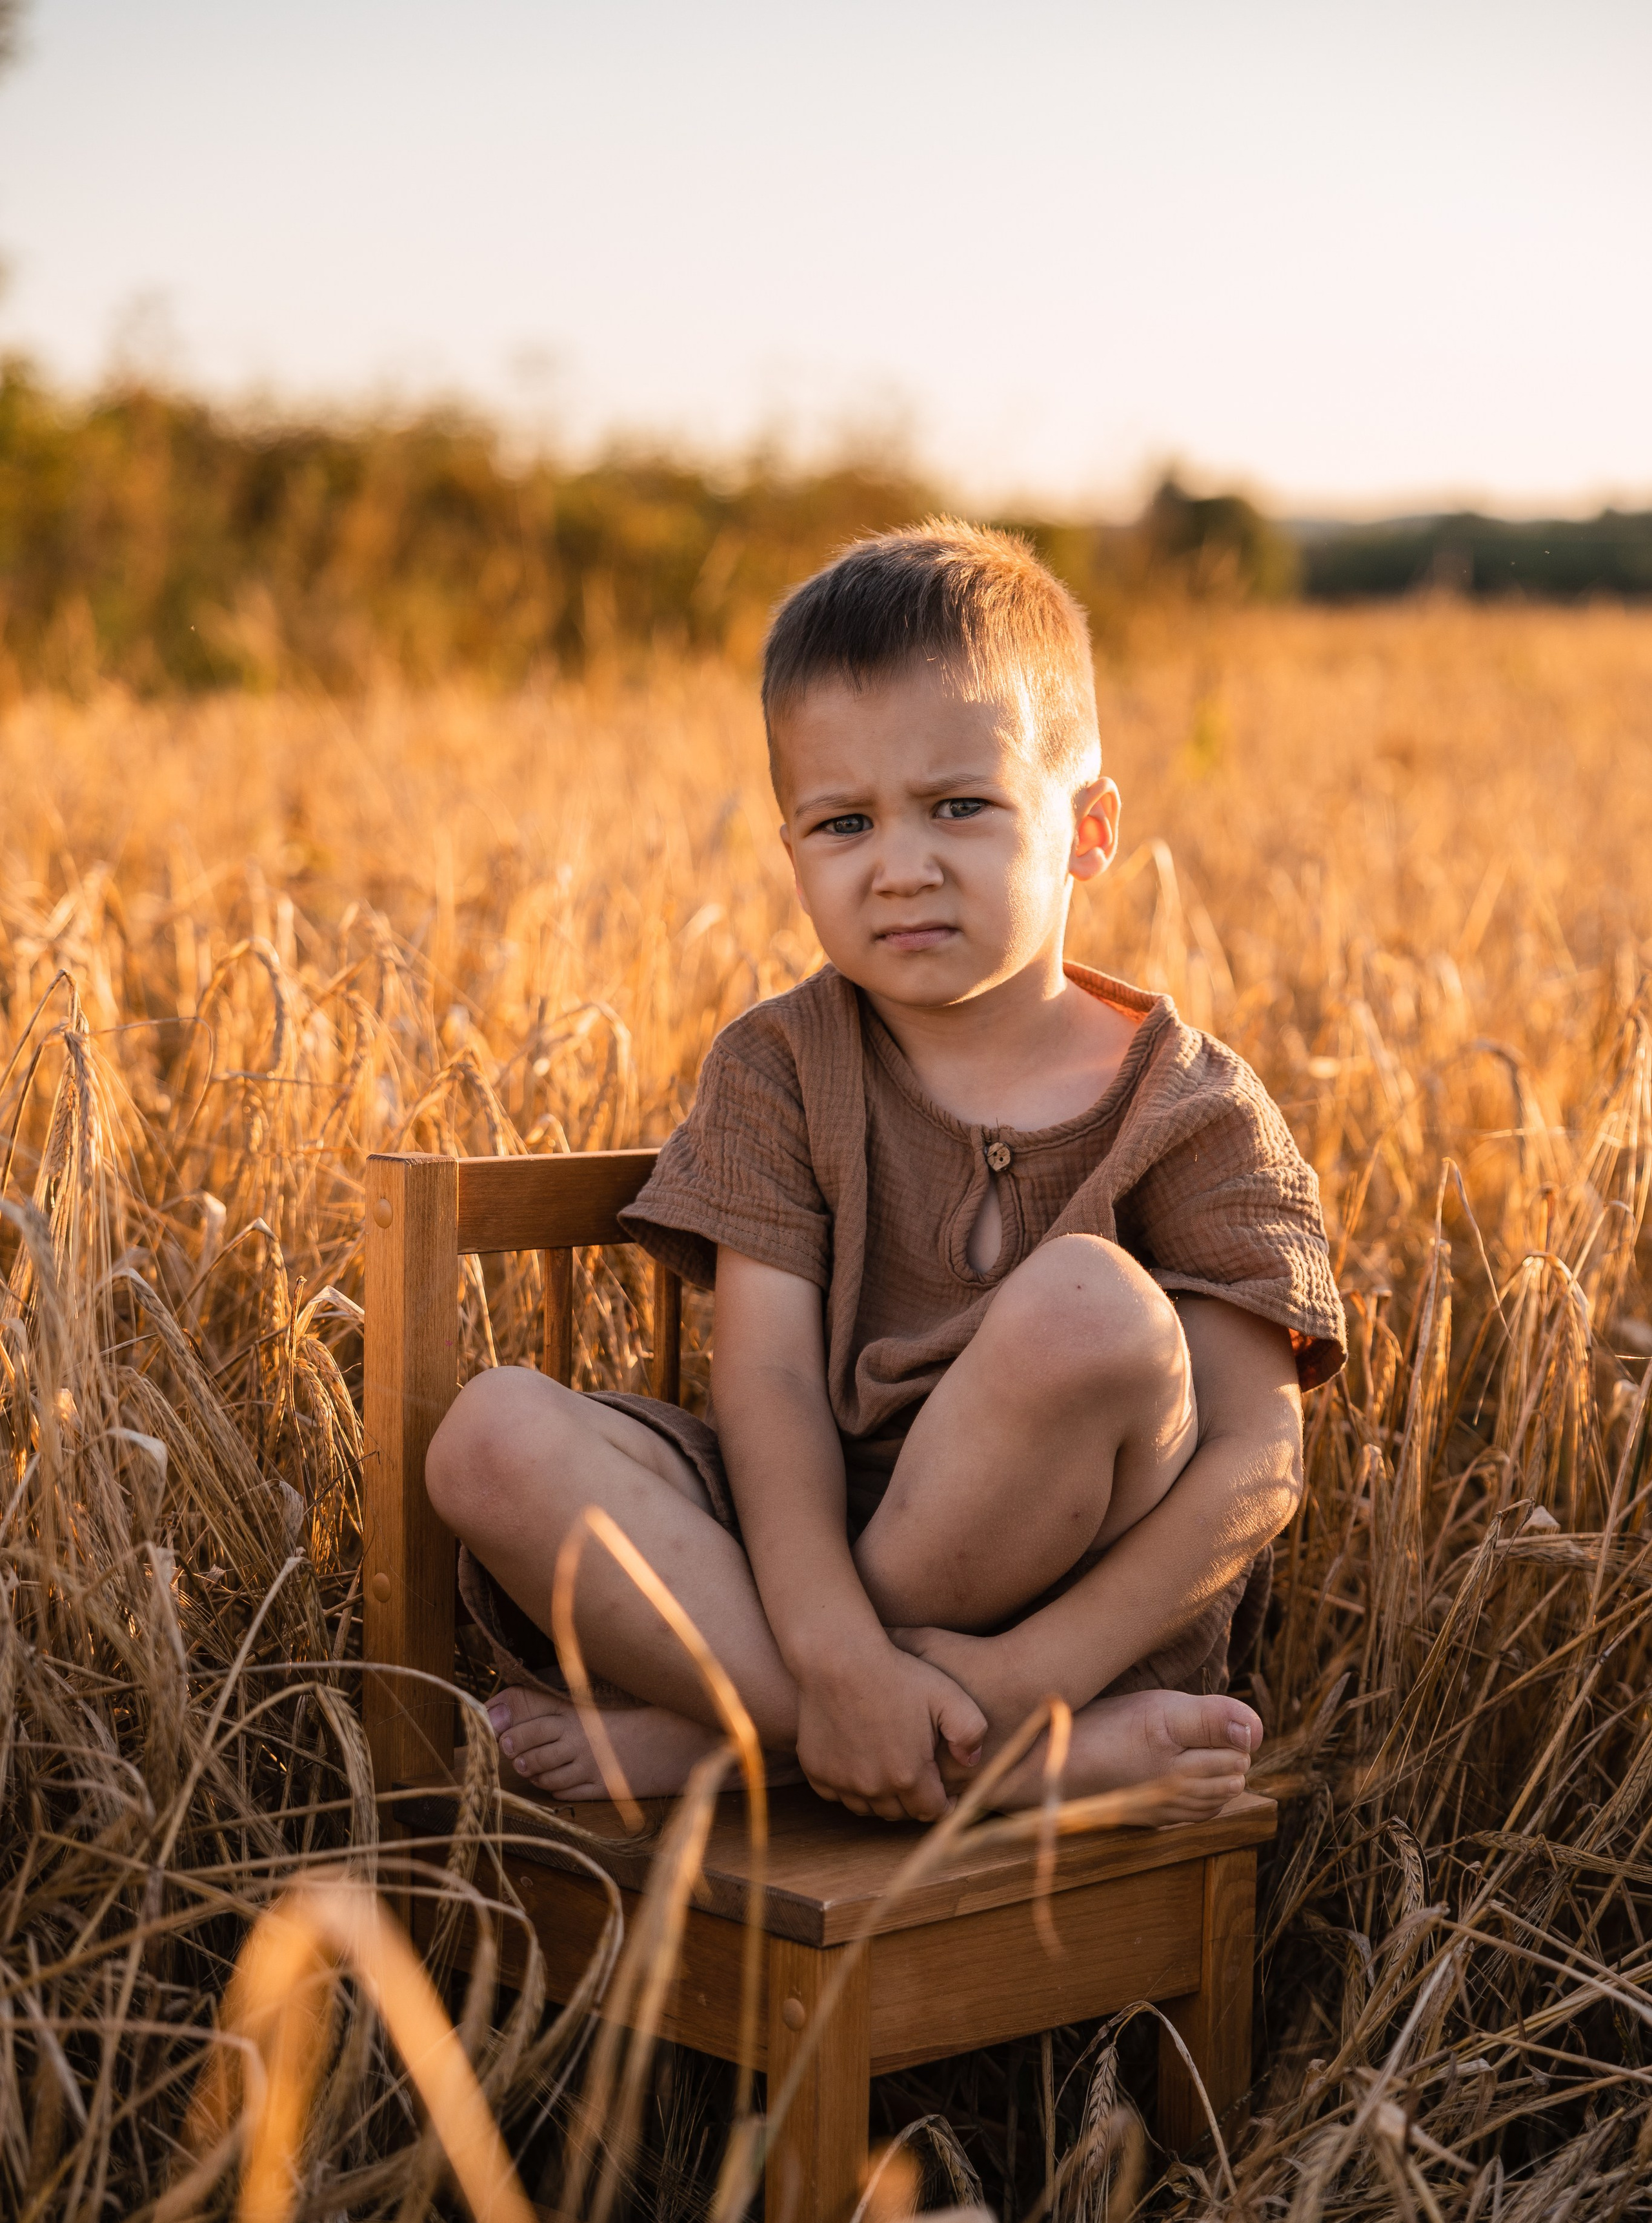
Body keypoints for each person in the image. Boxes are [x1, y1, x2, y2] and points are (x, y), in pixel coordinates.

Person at [425, 522, 1345, 1827]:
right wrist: (835, 1652)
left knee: (1087, 1305)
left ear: (1087, 830)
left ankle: (767, 1733)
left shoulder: (1190, 1109)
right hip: (782, 1573)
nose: (900, 865)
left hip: (1053, 1634)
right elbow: (771, 1388)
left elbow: (1257, 1459)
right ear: (791, 844)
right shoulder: (780, 1065)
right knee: (489, 1438)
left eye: (958, 807)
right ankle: (891, 1748)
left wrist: (1031, 1676)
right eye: (842, 821)